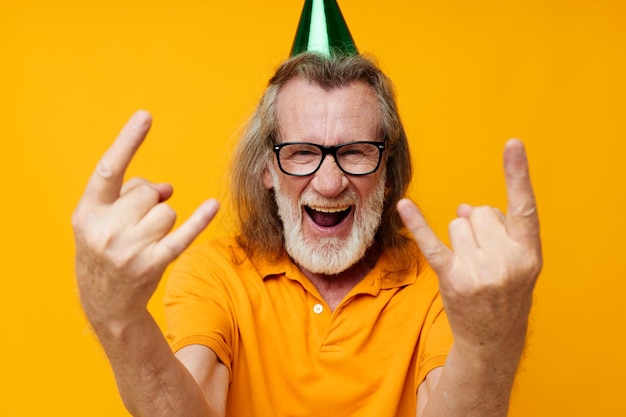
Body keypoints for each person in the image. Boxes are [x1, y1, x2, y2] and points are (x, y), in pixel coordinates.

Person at [72, 4, 542, 417]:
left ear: (388, 167)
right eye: (301, 152)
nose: (330, 182)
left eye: (356, 151)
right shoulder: (214, 274)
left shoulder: (439, 286)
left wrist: (490, 342)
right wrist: (118, 318)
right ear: (267, 169)